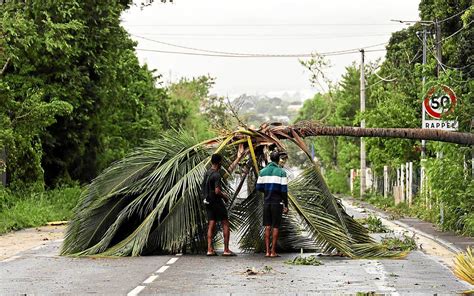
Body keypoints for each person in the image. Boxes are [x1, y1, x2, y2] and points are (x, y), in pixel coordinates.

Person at [201, 153, 236, 256]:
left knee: (211, 224)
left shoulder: (207, 173)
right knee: (225, 222)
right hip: (216, 202)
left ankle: (209, 250)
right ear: (219, 162)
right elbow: (217, 191)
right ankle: (226, 250)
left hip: (208, 201)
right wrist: (225, 196)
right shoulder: (216, 175)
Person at [256, 150, 289, 257]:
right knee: (275, 226)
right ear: (278, 159)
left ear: (270, 158)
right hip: (277, 203)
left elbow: (258, 187)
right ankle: (273, 252)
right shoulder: (281, 173)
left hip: (267, 202)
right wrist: (286, 205)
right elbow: (284, 191)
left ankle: (267, 251)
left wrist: (267, 191)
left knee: (267, 226)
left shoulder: (263, 171)